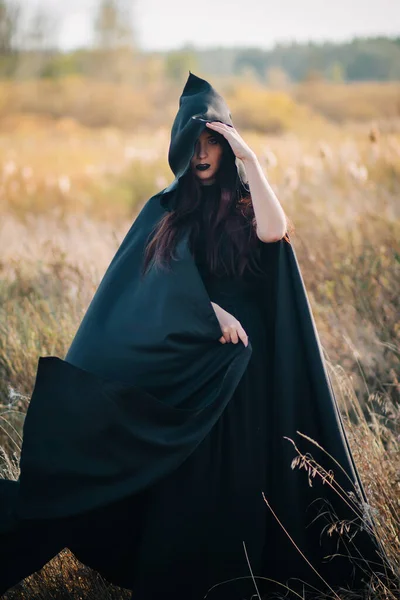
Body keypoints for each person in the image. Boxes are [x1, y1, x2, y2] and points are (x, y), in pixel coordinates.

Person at [0, 72, 390, 599]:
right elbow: (150, 286)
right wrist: (208, 311)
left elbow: (275, 233)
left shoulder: (248, 204)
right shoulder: (167, 209)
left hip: (249, 375)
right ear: (179, 145)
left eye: (213, 141)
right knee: (198, 489)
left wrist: (249, 157)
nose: (203, 153)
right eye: (195, 142)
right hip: (201, 373)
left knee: (251, 485)